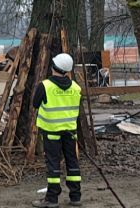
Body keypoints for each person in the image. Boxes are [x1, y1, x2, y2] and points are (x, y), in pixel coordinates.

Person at [31, 53, 82, 207]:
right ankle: (76, 196)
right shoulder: (76, 87)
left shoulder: (45, 86)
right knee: (72, 162)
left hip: (51, 132)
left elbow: (35, 104)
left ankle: (52, 199)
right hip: (70, 133)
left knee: (53, 164)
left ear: (53, 67)